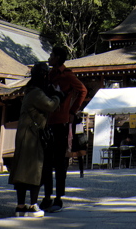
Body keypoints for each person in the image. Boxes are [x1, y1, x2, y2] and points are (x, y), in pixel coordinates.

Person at [9, 61, 60, 217]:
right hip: (32, 135)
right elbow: (51, 105)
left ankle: (20, 205)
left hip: (24, 133)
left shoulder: (30, 91)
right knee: (35, 169)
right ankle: (32, 205)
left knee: (22, 170)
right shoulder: (37, 93)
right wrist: (57, 95)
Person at [41, 44, 87, 213]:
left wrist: (73, 110)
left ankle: (58, 198)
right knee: (46, 161)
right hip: (47, 121)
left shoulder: (67, 76)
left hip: (61, 121)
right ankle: (46, 196)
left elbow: (82, 90)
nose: (49, 57)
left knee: (60, 161)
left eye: (52, 54)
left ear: (58, 57)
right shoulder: (49, 75)